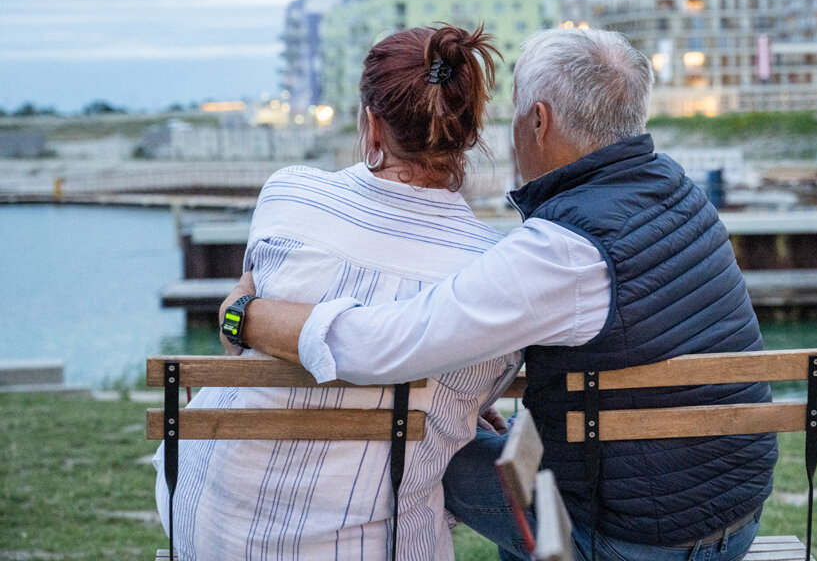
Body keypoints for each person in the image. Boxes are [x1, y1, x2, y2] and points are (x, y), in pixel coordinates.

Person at [223, 28, 775, 561]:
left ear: (539, 121)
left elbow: (374, 346)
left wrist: (243, 316)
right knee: (500, 447)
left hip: (634, 544)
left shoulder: (563, 252)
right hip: (728, 517)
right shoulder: (675, 190)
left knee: (443, 451)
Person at [155, 24, 521, 561]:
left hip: (208, 519)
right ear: (471, 131)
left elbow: (239, 336)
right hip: (378, 545)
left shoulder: (290, 193)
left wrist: (242, 307)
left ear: (372, 125)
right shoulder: (495, 271)